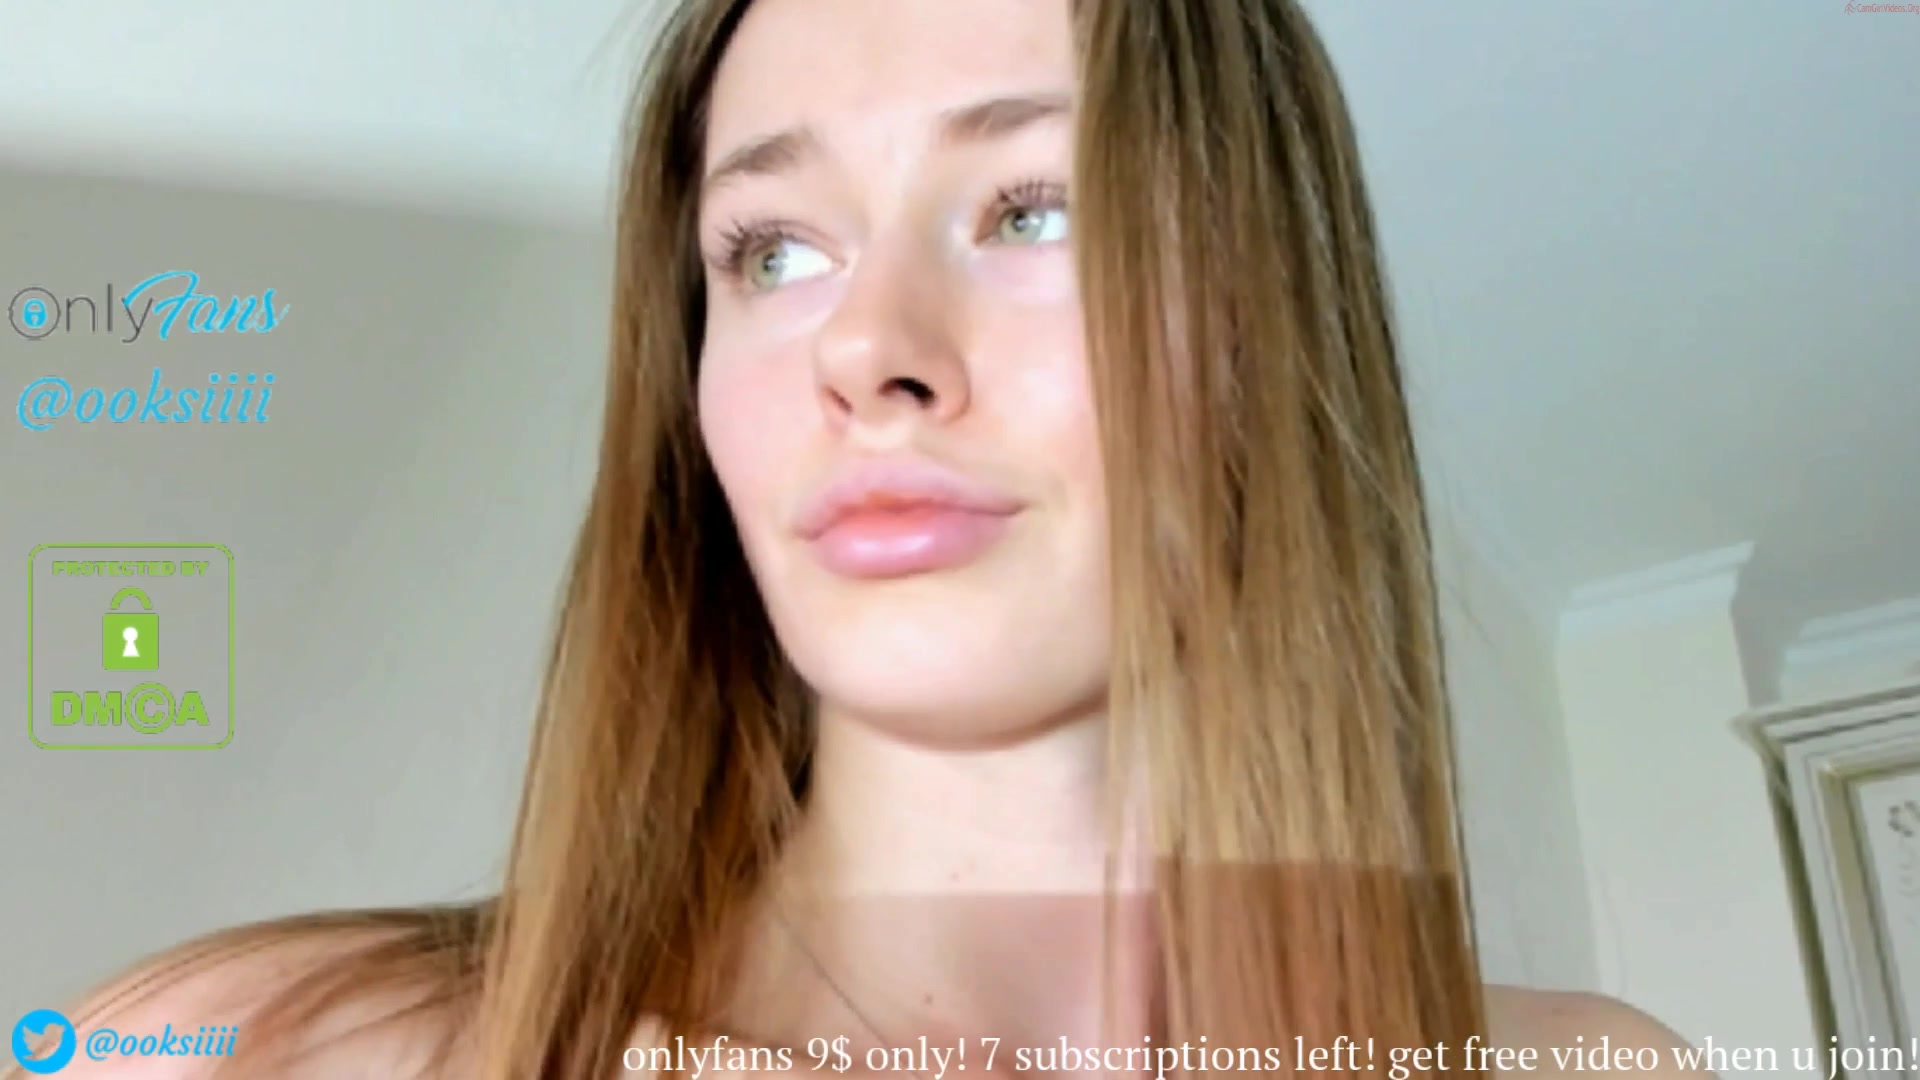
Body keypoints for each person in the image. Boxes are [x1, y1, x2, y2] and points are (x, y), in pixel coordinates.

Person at [17, 1, 1712, 1077]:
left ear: (1269, 317)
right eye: (772, 251)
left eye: (1034, 208)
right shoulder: (232, 1049)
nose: (868, 348)